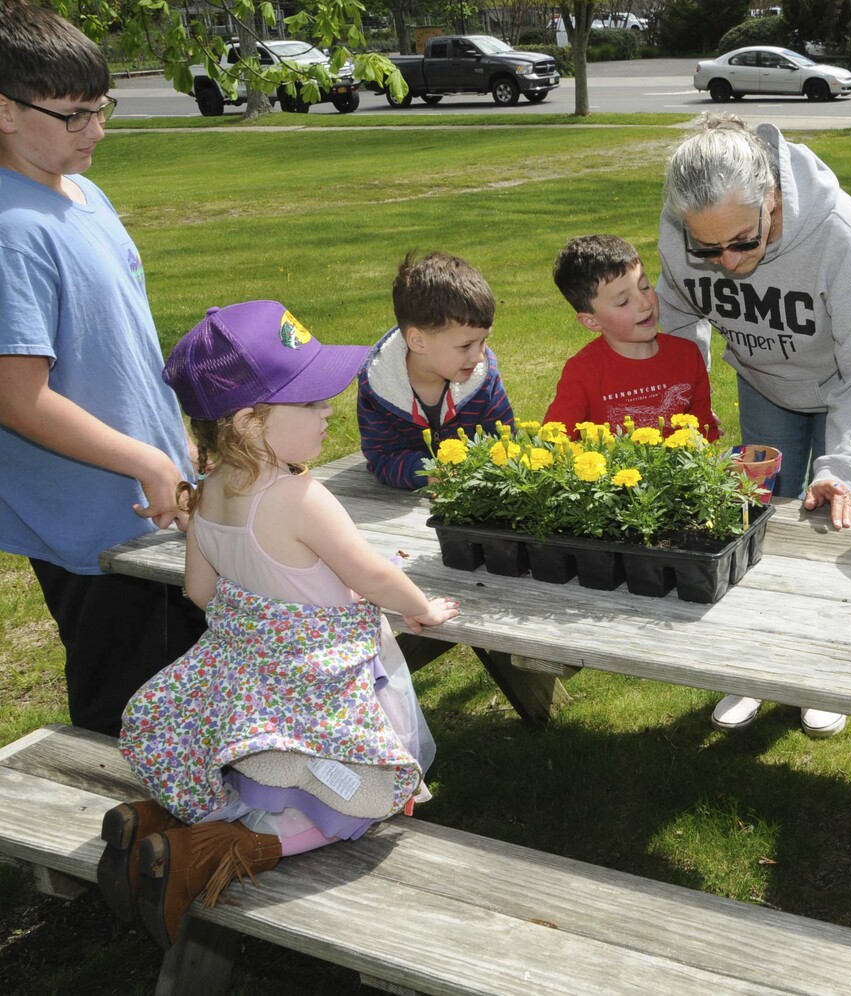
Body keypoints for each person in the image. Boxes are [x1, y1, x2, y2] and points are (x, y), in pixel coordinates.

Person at [103, 300, 460, 948]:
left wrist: (261, 617)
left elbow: (199, 589)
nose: (328, 412)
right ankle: (210, 853)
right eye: (310, 403)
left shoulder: (206, 490)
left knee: (271, 773)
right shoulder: (300, 496)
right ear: (248, 420)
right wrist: (423, 609)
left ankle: (154, 822)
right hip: (324, 686)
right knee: (360, 803)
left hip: (257, 681)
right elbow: (373, 575)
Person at [657, 113, 851, 740]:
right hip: (764, 379)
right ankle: (751, 667)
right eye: (708, 249)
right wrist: (682, 408)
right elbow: (677, 316)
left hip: (844, 387)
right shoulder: (683, 225)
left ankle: (821, 673)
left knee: (827, 529)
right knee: (753, 519)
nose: (729, 263)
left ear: (772, 197)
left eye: (744, 242)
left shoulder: (841, 238)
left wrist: (842, 468)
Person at [0, 3, 206, 737]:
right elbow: (19, 400)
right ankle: (99, 847)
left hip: (150, 490)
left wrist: (174, 439)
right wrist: (146, 460)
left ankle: (184, 830)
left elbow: (123, 344)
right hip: (94, 524)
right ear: (5, 110)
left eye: (102, 109)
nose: (98, 131)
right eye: (75, 114)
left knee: (182, 679)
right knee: (122, 708)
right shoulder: (9, 232)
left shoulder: (86, 195)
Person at [358, 250, 514, 489]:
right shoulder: (379, 387)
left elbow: (504, 443)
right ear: (418, 341)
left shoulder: (484, 380)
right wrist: (428, 472)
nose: (479, 356)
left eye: (483, 341)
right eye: (465, 346)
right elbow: (383, 457)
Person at [545, 234, 719, 440]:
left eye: (644, 287)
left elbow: (703, 432)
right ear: (592, 322)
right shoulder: (582, 372)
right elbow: (554, 443)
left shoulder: (687, 355)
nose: (644, 304)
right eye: (623, 301)